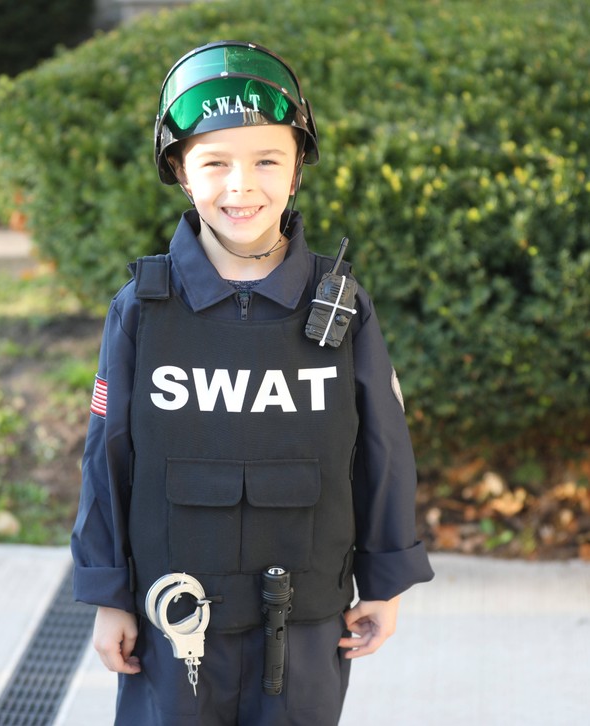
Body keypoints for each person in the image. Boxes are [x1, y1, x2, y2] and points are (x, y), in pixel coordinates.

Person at [71, 40, 434, 725]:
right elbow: (107, 456)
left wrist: (385, 582)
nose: (242, 186)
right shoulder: (144, 309)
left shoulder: (341, 305)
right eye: (215, 162)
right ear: (181, 171)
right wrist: (110, 596)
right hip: (171, 614)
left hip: (304, 622)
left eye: (268, 160)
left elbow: (385, 448)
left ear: (297, 171)